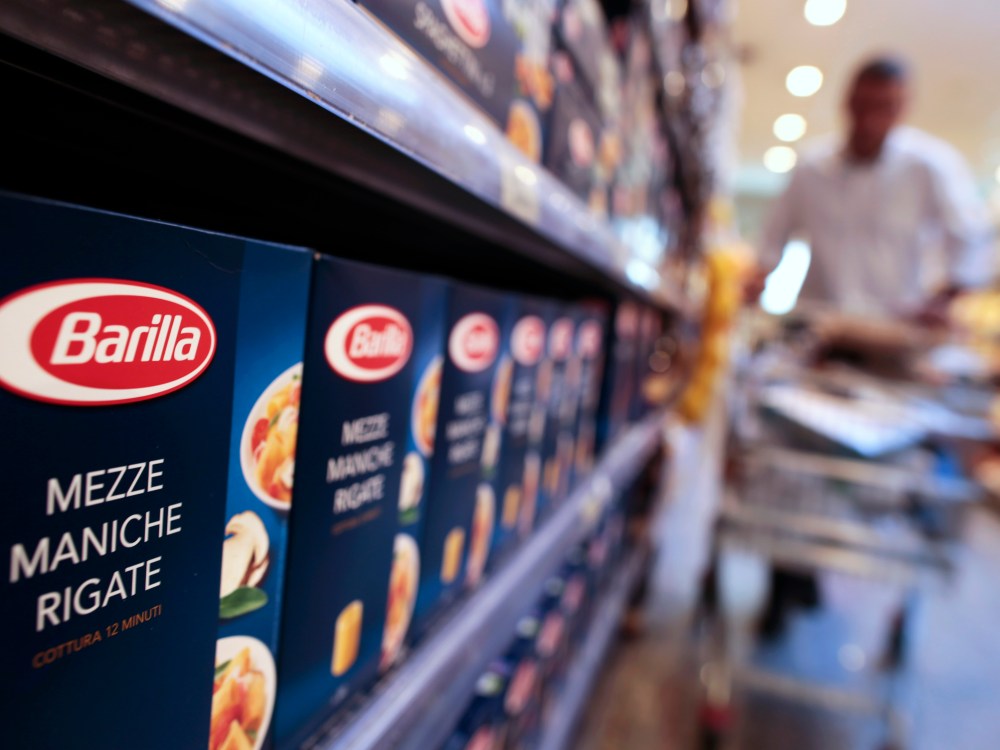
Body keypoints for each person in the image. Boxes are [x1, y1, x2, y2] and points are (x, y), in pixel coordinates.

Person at [755, 55, 994, 322]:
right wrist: (754, 281)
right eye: (862, 105)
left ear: (902, 109)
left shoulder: (931, 165)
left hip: (897, 327)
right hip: (817, 321)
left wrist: (943, 301)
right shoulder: (810, 167)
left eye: (883, 107)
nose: (869, 119)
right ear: (847, 102)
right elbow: (771, 241)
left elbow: (971, 239)